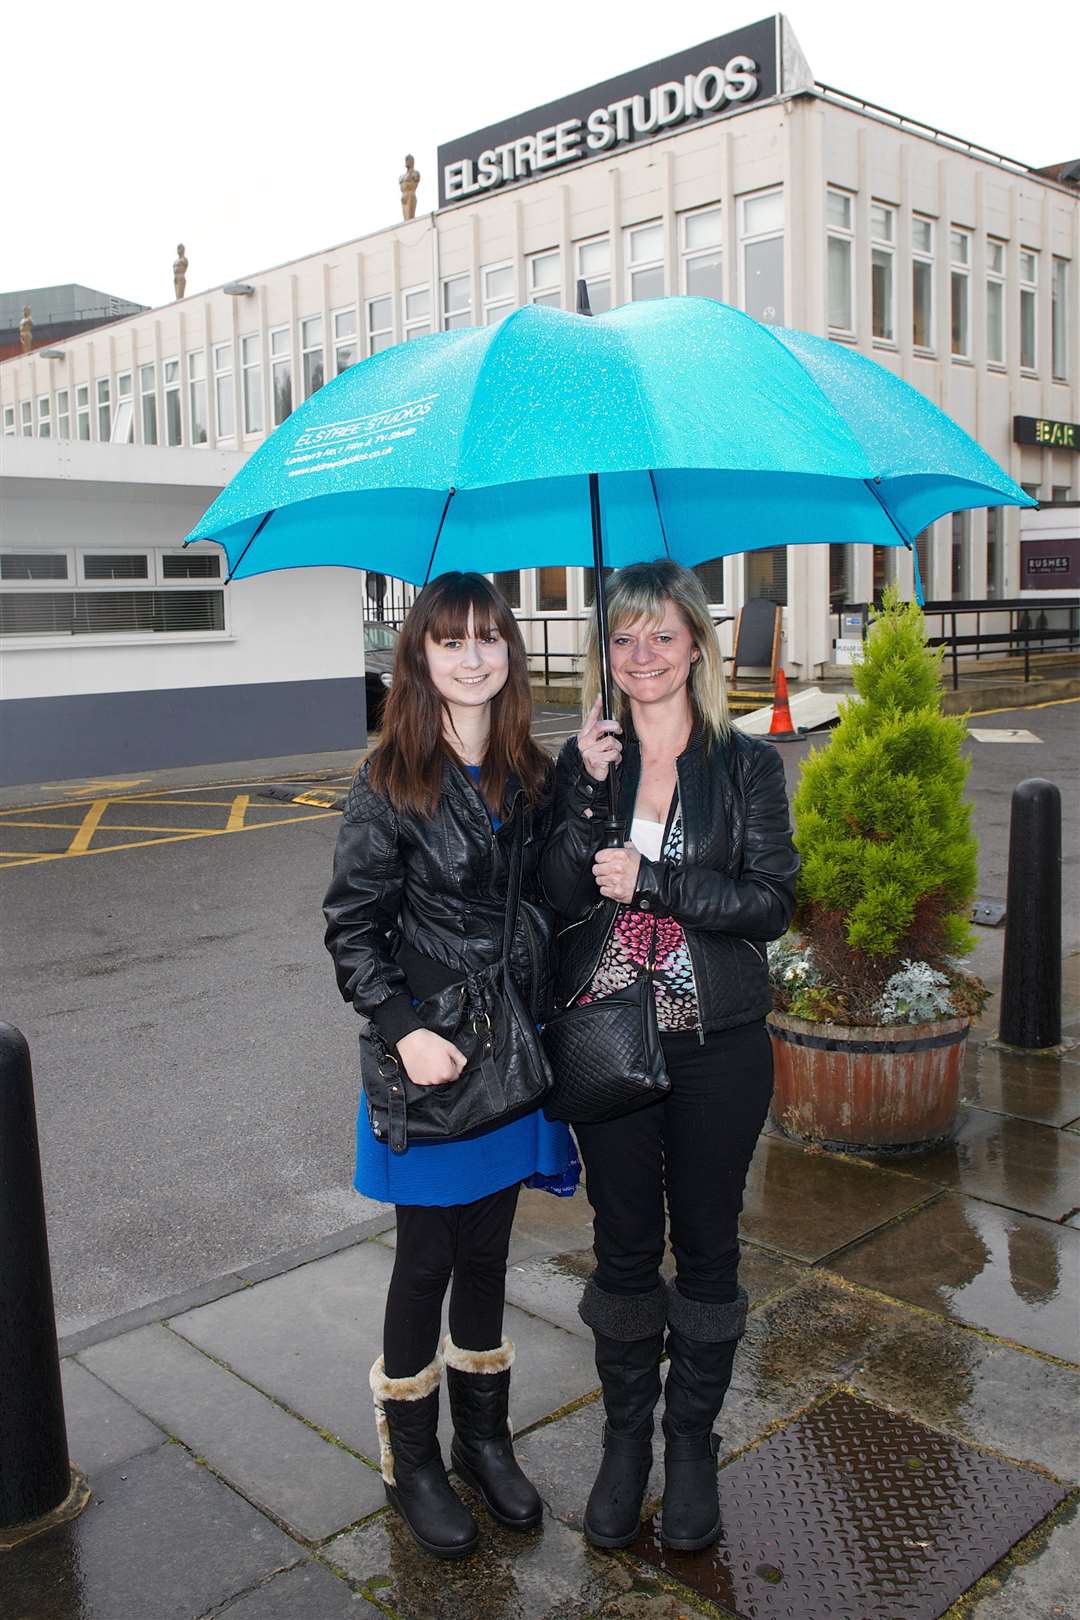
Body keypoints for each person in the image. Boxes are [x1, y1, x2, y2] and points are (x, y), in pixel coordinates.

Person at [540, 560, 798, 1554]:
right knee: (623, 1246)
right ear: (603, 655)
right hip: (606, 1040)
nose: (642, 654)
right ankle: (623, 1446)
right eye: (622, 637)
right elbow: (558, 895)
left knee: (709, 1244)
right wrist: (583, 795)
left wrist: (660, 881)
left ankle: (689, 1446)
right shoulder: (586, 761)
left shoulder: (747, 766)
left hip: (715, 1044)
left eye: (661, 634)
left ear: (696, 642)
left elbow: (771, 904)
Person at [323, 572, 573, 1559]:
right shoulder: (389, 780)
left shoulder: (535, 773)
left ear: (509, 652)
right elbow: (352, 928)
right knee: (425, 1261)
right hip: (429, 1058)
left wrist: (590, 786)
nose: (472, 656)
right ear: (419, 658)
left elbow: (560, 893)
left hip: (510, 1053)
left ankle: (482, 1439)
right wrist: (399, 1025)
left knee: (487, 1254)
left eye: (488, 638)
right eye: (450, 640)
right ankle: (413, 1461)